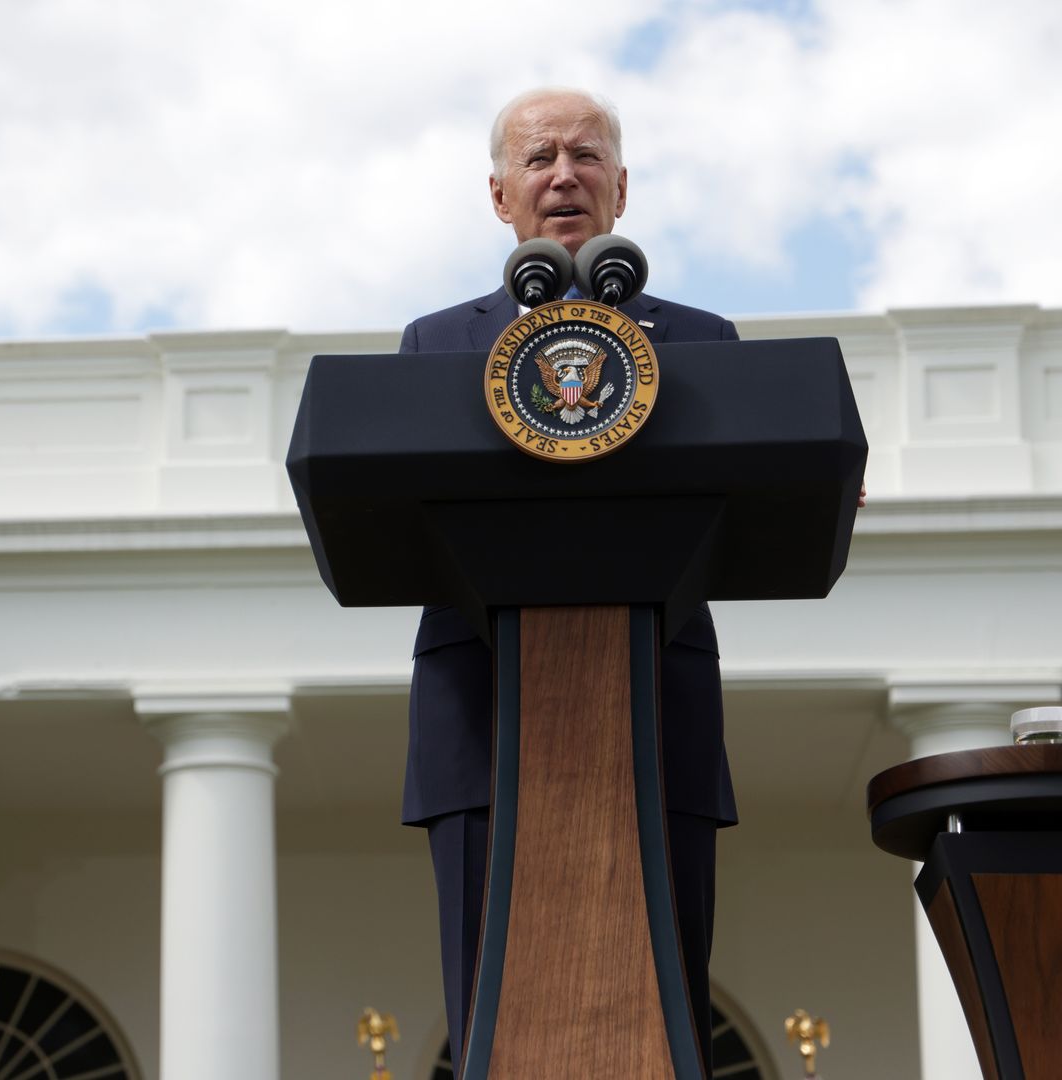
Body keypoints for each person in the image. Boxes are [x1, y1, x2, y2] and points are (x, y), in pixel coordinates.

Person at [397, 87, 737, 1075]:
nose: (563, 175)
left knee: (671, 1014)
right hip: (481, 716)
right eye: (539, 158)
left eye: (586, 157)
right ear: (499, 194)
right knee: (487, 1016)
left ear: (621, 189)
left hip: (658, 711)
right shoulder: (437, 346)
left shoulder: (706, 343)